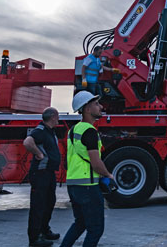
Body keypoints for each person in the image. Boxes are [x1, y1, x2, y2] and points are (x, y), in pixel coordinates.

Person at [60, 91, 114, 247]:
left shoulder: (73, 130)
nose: (101, 107)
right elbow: (96, 163)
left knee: (80, 223)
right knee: (96, 228)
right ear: (87, 109)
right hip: (88, 187)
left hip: (74, 185)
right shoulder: (89, 131)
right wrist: (109, 175)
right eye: (96, 104)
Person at [23, 107, 61, 247]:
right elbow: (27, 142)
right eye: (57, 117)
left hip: (48, 172)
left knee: (49, 202)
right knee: (38, 205)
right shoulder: (40, 130)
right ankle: (34, 239)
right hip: (40, 173)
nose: (58, 119)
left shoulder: (49, 131)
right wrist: (39, 154)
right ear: (52, 117)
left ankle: (45, 230)